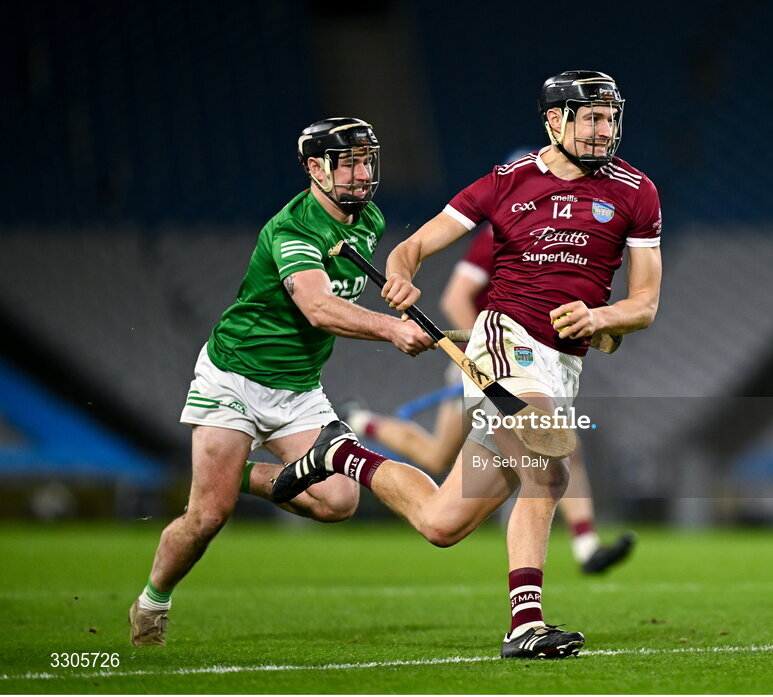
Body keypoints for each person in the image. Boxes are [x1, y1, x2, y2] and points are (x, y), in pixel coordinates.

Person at [274, 70, 662, 659]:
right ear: (554, 122)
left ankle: (339, 452)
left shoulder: (638, 192)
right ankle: (525, 625)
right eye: (592, 118)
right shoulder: (506, 183)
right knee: (549, 466)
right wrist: (400, 279)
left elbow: (645, 304)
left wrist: (601, 318)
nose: (605, 130)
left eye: (611, 117)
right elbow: (412, 248)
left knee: (442, 522)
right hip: (506, 342)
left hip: (563, 364)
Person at [128, 117, 435, 647]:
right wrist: (390, 329)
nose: (364, 174)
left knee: (339, 502)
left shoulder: (369, 220)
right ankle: (152, 603)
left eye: (368, 161)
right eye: (351, 163)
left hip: (298, 388)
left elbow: (339, 291)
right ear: (315, 168)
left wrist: (395, 300)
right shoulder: (293, 228)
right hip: (235, 377)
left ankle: (235, 472)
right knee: (208, 516)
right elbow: (316, 306)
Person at [342, 217, 636, 573]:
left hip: (526, 363)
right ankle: (357, 423)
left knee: (555, 448)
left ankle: (586, 546)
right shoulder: (502, 229)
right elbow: (455, 298)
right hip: (485, 359)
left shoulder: (561, 239)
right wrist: (478, 355)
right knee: (439, 457)